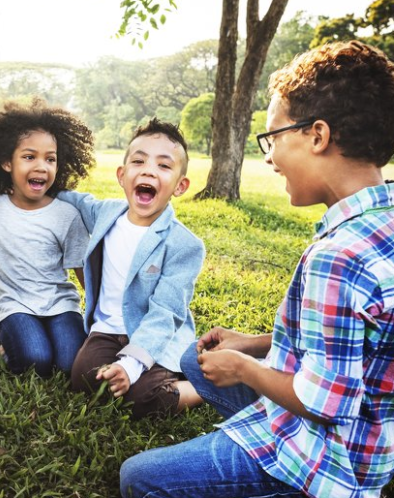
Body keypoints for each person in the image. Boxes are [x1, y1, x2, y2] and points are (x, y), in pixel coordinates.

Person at [121, 40, 394, 498]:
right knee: (194, 360)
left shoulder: (338, 255)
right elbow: (364, 335)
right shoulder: (378, 223)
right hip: (375, 440)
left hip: (326, 459)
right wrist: (254, 343)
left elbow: (326, 403)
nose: (268, 157)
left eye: (273, 137)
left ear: (317, 135)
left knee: (139, 478)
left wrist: (246, 368)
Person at [57, 118, 205, 420]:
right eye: (139, 161)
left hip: (154, 336)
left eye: (164, 166)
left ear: (180, 186)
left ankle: (200, 386)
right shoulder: (106, 213)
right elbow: (72, 198)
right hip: (107, 331)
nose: (149, 170)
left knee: (142, 398)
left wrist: (130, 365)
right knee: (84, 379)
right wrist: (37, 184)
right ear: (122, 176)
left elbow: (165, 313)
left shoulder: (184, 244)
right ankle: (127, 372)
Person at [0, 99, 93, 377]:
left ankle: (8, 331)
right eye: (29, 157)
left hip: (60, 303)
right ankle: (3, 334)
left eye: (50, 158)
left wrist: (100, 312)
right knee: (34, 361)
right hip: (14, 304)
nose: (42, 166)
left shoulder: (66, 214)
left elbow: (80, 267)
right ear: (6, 162)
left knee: (68, 365)